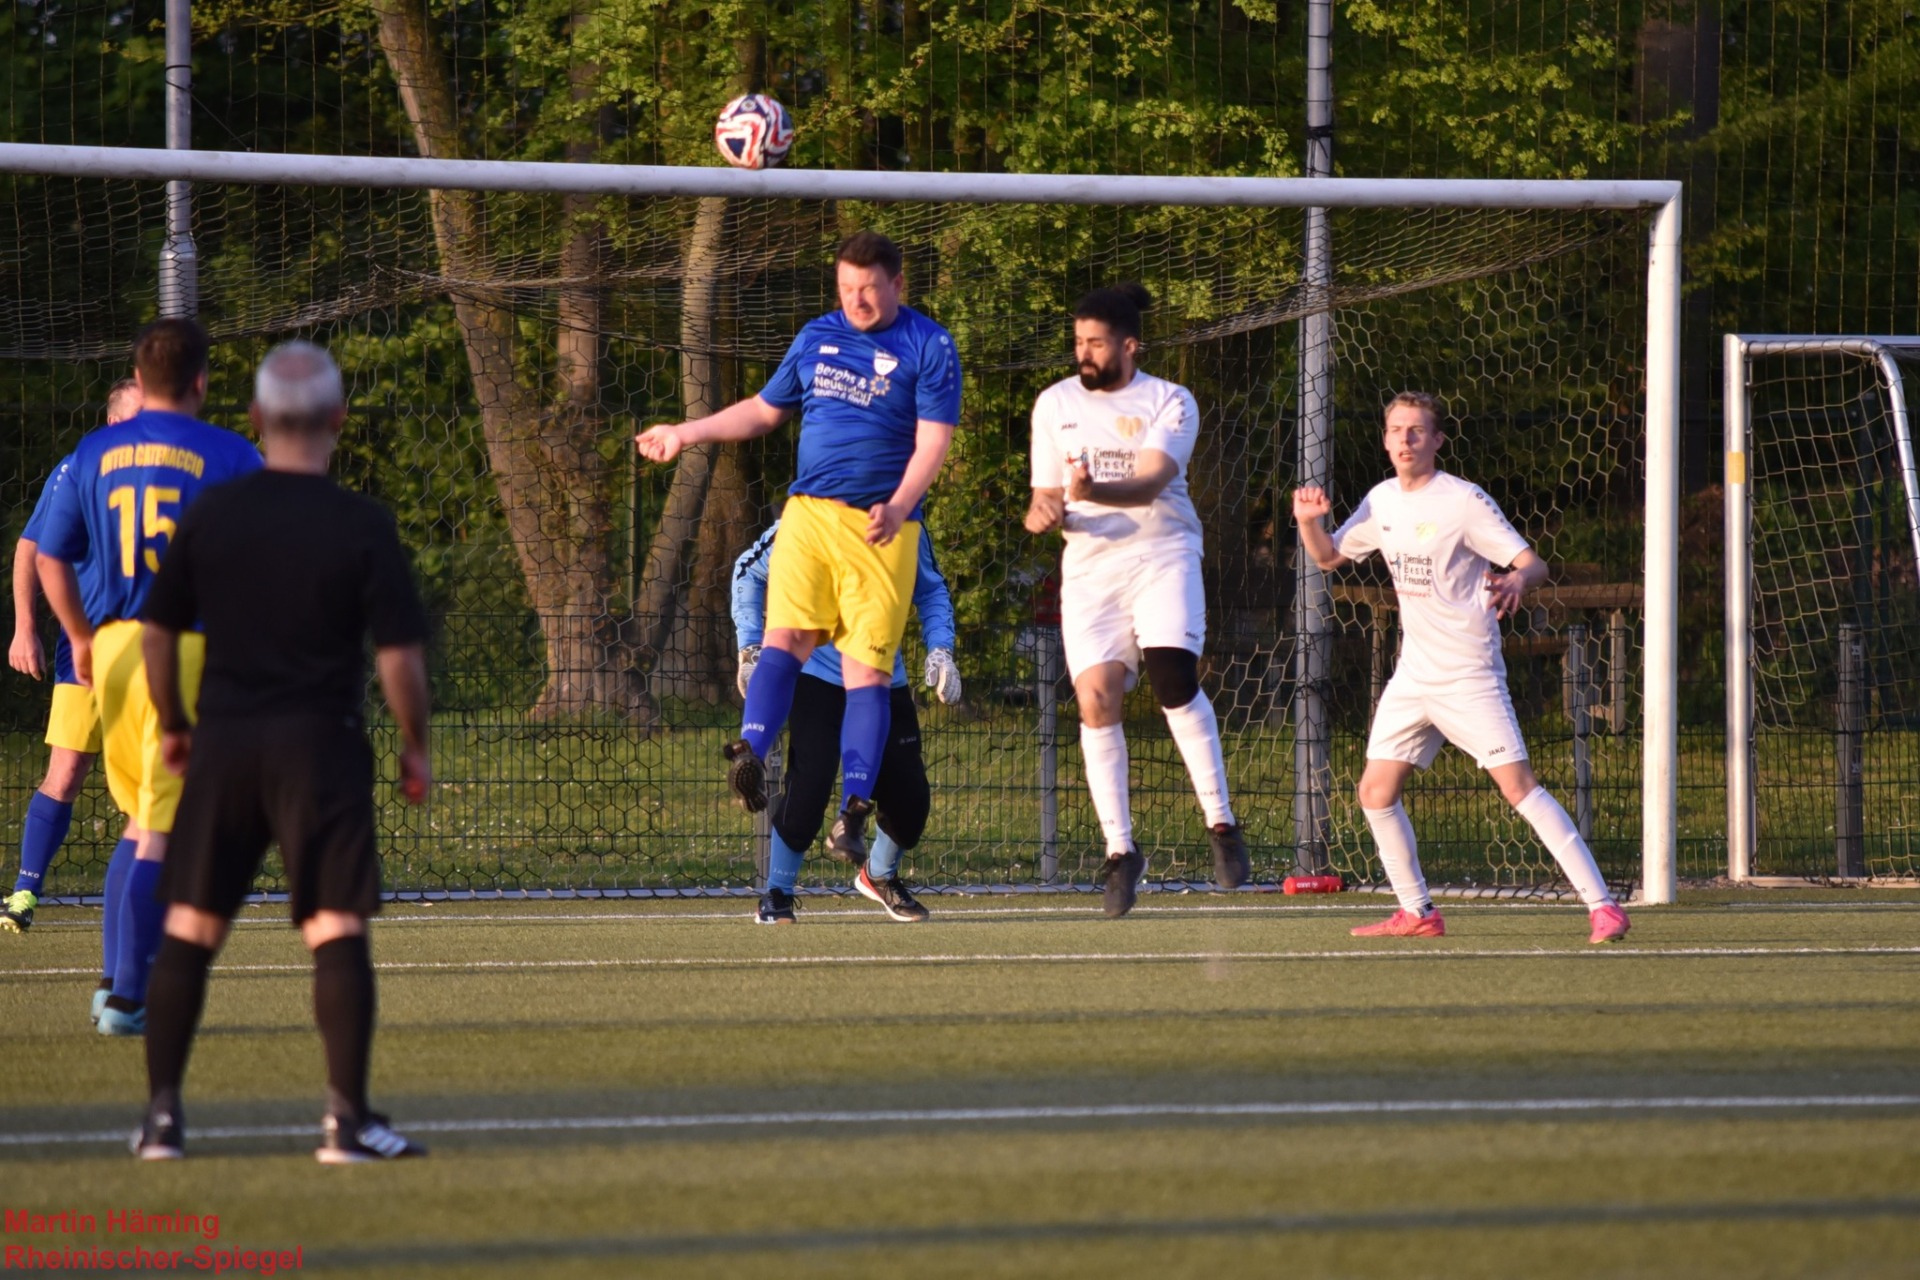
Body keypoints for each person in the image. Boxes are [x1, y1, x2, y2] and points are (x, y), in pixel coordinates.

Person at [130, 340, 432, 1163]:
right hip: (320, 748)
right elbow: (399, 659)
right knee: (334, 927)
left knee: (191, 926)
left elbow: (158, 632)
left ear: (258, 417)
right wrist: (416, 745)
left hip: (224, 743)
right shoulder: (361, 523)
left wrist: (175, 722)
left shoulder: (213, 514)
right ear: (339, 419)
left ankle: (162, 1120)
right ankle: (346, 1122)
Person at [636, 231, 961, 860]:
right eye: (845, 288)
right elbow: (764, 411)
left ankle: (853, 812)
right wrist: (685, 431)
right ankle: (750, 752)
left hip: (882, 528)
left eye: (869, 289)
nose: (856, 300)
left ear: (898, 284)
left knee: (868, 672)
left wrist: (900, 504)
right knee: (784, 639)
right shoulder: (817, 337)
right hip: (808, 516)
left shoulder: (929, 344)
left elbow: (934, 441)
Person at [1292, 390, 1632, 944]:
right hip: (1413, 675)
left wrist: (1517, 579)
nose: (1405, 439)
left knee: (1518, 788)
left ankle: (1603, 906)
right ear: (1385, 440)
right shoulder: (1382, 500)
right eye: (1396, 429)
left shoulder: (1463, 500)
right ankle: (1418, 912)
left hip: (1468, 674)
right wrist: (1308, 521)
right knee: (1375, 792)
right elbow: (1328, 556)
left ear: (1437, 440)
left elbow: (1533, 563)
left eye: (1416, 430)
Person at [34, 320, 264, 1034]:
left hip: (113, 651)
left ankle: (113, 982)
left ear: (140, 376)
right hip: (184, 651)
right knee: (169, 829)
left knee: (142, 819)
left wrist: (79, 636)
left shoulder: (93, 452)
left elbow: (49, 554)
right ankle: (131, 1000)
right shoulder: (230, 453)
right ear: (200, 381)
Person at [1024, 284, 1250, 919]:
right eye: (1079, 342)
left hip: (1163, 553)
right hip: (1090, 570)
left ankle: (1222, 824)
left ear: (1130, 345)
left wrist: (1093, 490)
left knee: (1172, 678)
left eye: (1096, 343)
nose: (1084, 354)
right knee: (1096, 700)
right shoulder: (1054, 404)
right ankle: (1120, 852)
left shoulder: (1169, 400)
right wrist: (1043, 512)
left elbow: (1151, 482)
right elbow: (1046, 496)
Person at [732, 515, 963, 923]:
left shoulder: (906, 521)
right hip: (816, 673)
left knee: (911, 798)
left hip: (881, 673)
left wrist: (940, 649)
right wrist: (750, 645)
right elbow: (747, 571)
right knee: (810, 784)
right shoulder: (808, 516)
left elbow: (931, 591)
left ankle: (879, 875)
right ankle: (777, 892)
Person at [4, 380, 140, 937]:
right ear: (113, 424)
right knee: (66, 771)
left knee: (149, 786)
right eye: (138, 416)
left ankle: (141, 902)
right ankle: (24, 891)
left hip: (154, 649)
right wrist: (25, 627)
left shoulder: (171, 472)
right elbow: (31, 549)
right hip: (84, 648)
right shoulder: (77, 469)